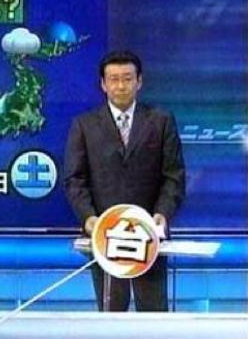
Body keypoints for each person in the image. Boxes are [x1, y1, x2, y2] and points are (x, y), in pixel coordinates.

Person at [63, 50, 185, 312]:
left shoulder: (161, 121)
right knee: (111, 313)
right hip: (105, 234)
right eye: (114, 79)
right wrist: (89, 218)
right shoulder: (84, 125)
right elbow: (74, 179)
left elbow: (173, 176)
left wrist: (162, 214)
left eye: (127, 79)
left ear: (139, 82)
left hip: (149, 236)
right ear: (103, 84)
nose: (121, 86)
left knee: (153, 313)